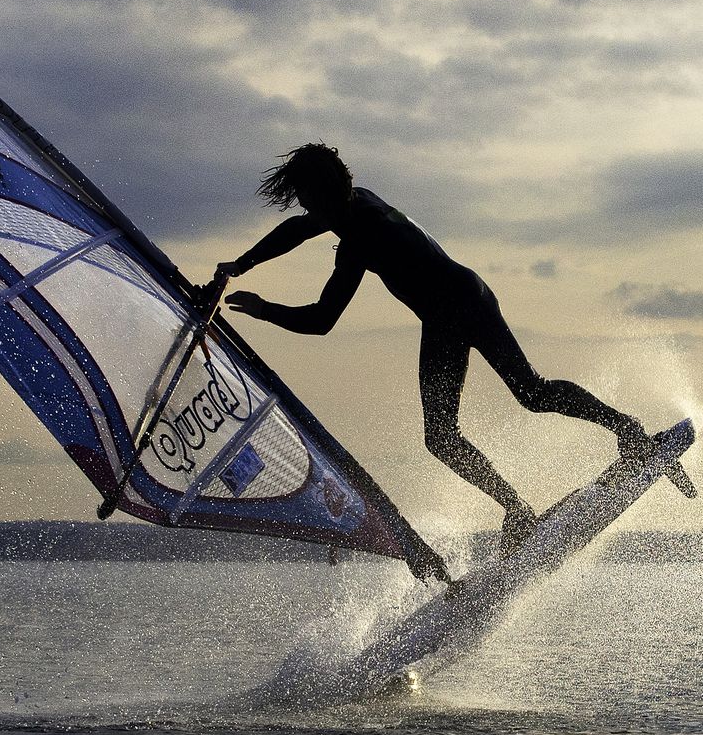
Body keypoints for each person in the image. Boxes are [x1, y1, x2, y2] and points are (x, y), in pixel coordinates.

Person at [212, 143, 651, 550]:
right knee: (461, 428)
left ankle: (618, 436)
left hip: (462, 308)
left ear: (325, 196)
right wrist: (242, 263)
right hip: (454, 311)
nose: (306, 209)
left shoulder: (361, 238)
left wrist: (264, 308)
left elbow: (322, 321)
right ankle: (524, 506)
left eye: (307, 199)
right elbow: (296, 230)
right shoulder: (356, 200)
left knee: (519, 399)